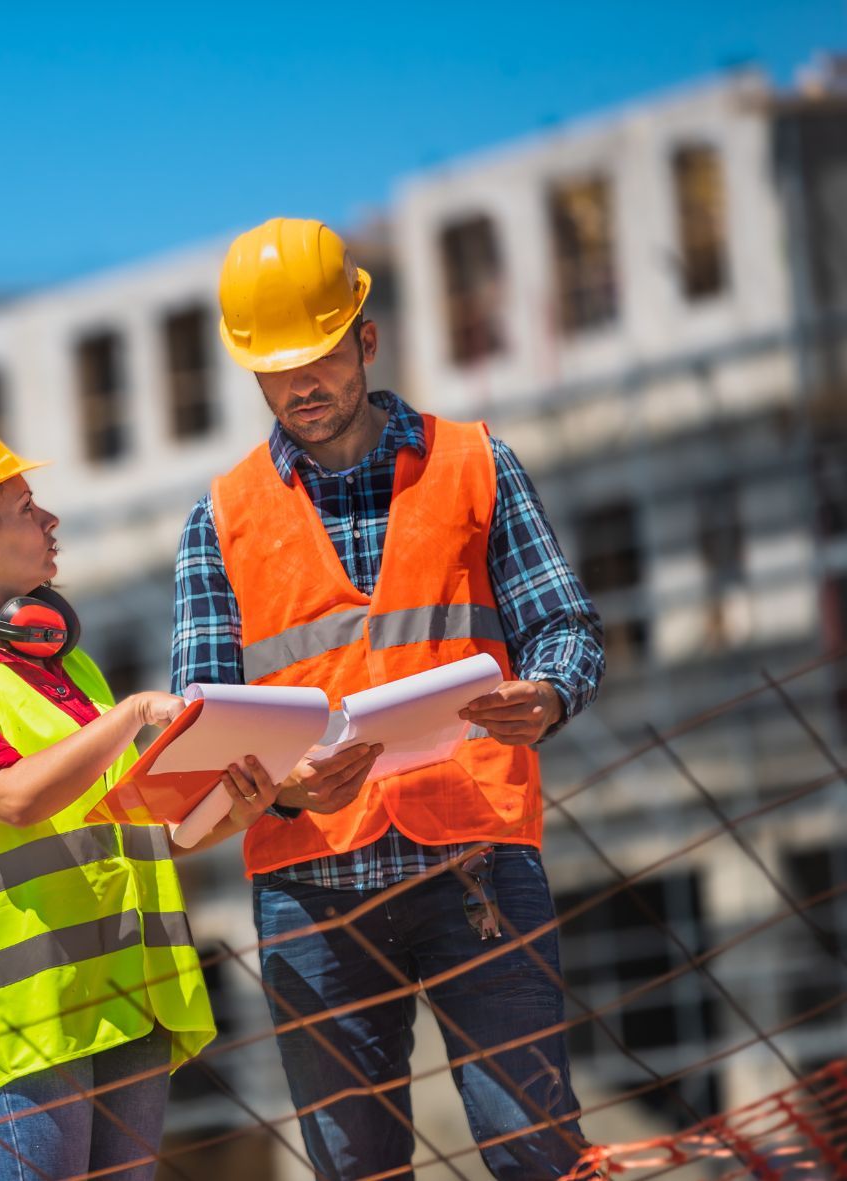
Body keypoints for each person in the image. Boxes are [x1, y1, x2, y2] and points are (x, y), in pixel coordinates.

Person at [172, 217, 607, 1180]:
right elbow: (201, 746)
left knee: (541, 1155)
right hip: (311, 891)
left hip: (478, 860)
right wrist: (286, 788)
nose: (301, 387)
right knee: (356, 1171)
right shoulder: (220, 520)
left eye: (319, 358)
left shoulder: (475, 463)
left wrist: (550, 693)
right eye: (275, 370)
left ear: (365, 339)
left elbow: (565, 626)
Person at [0, 414, 377, 1180]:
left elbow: (142, 832)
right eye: (28, 507)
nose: (50, 520)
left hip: (130, 998)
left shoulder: (72, 675)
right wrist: (132, 714)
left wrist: (234, 806)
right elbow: (9, 798)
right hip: (31, 1021)